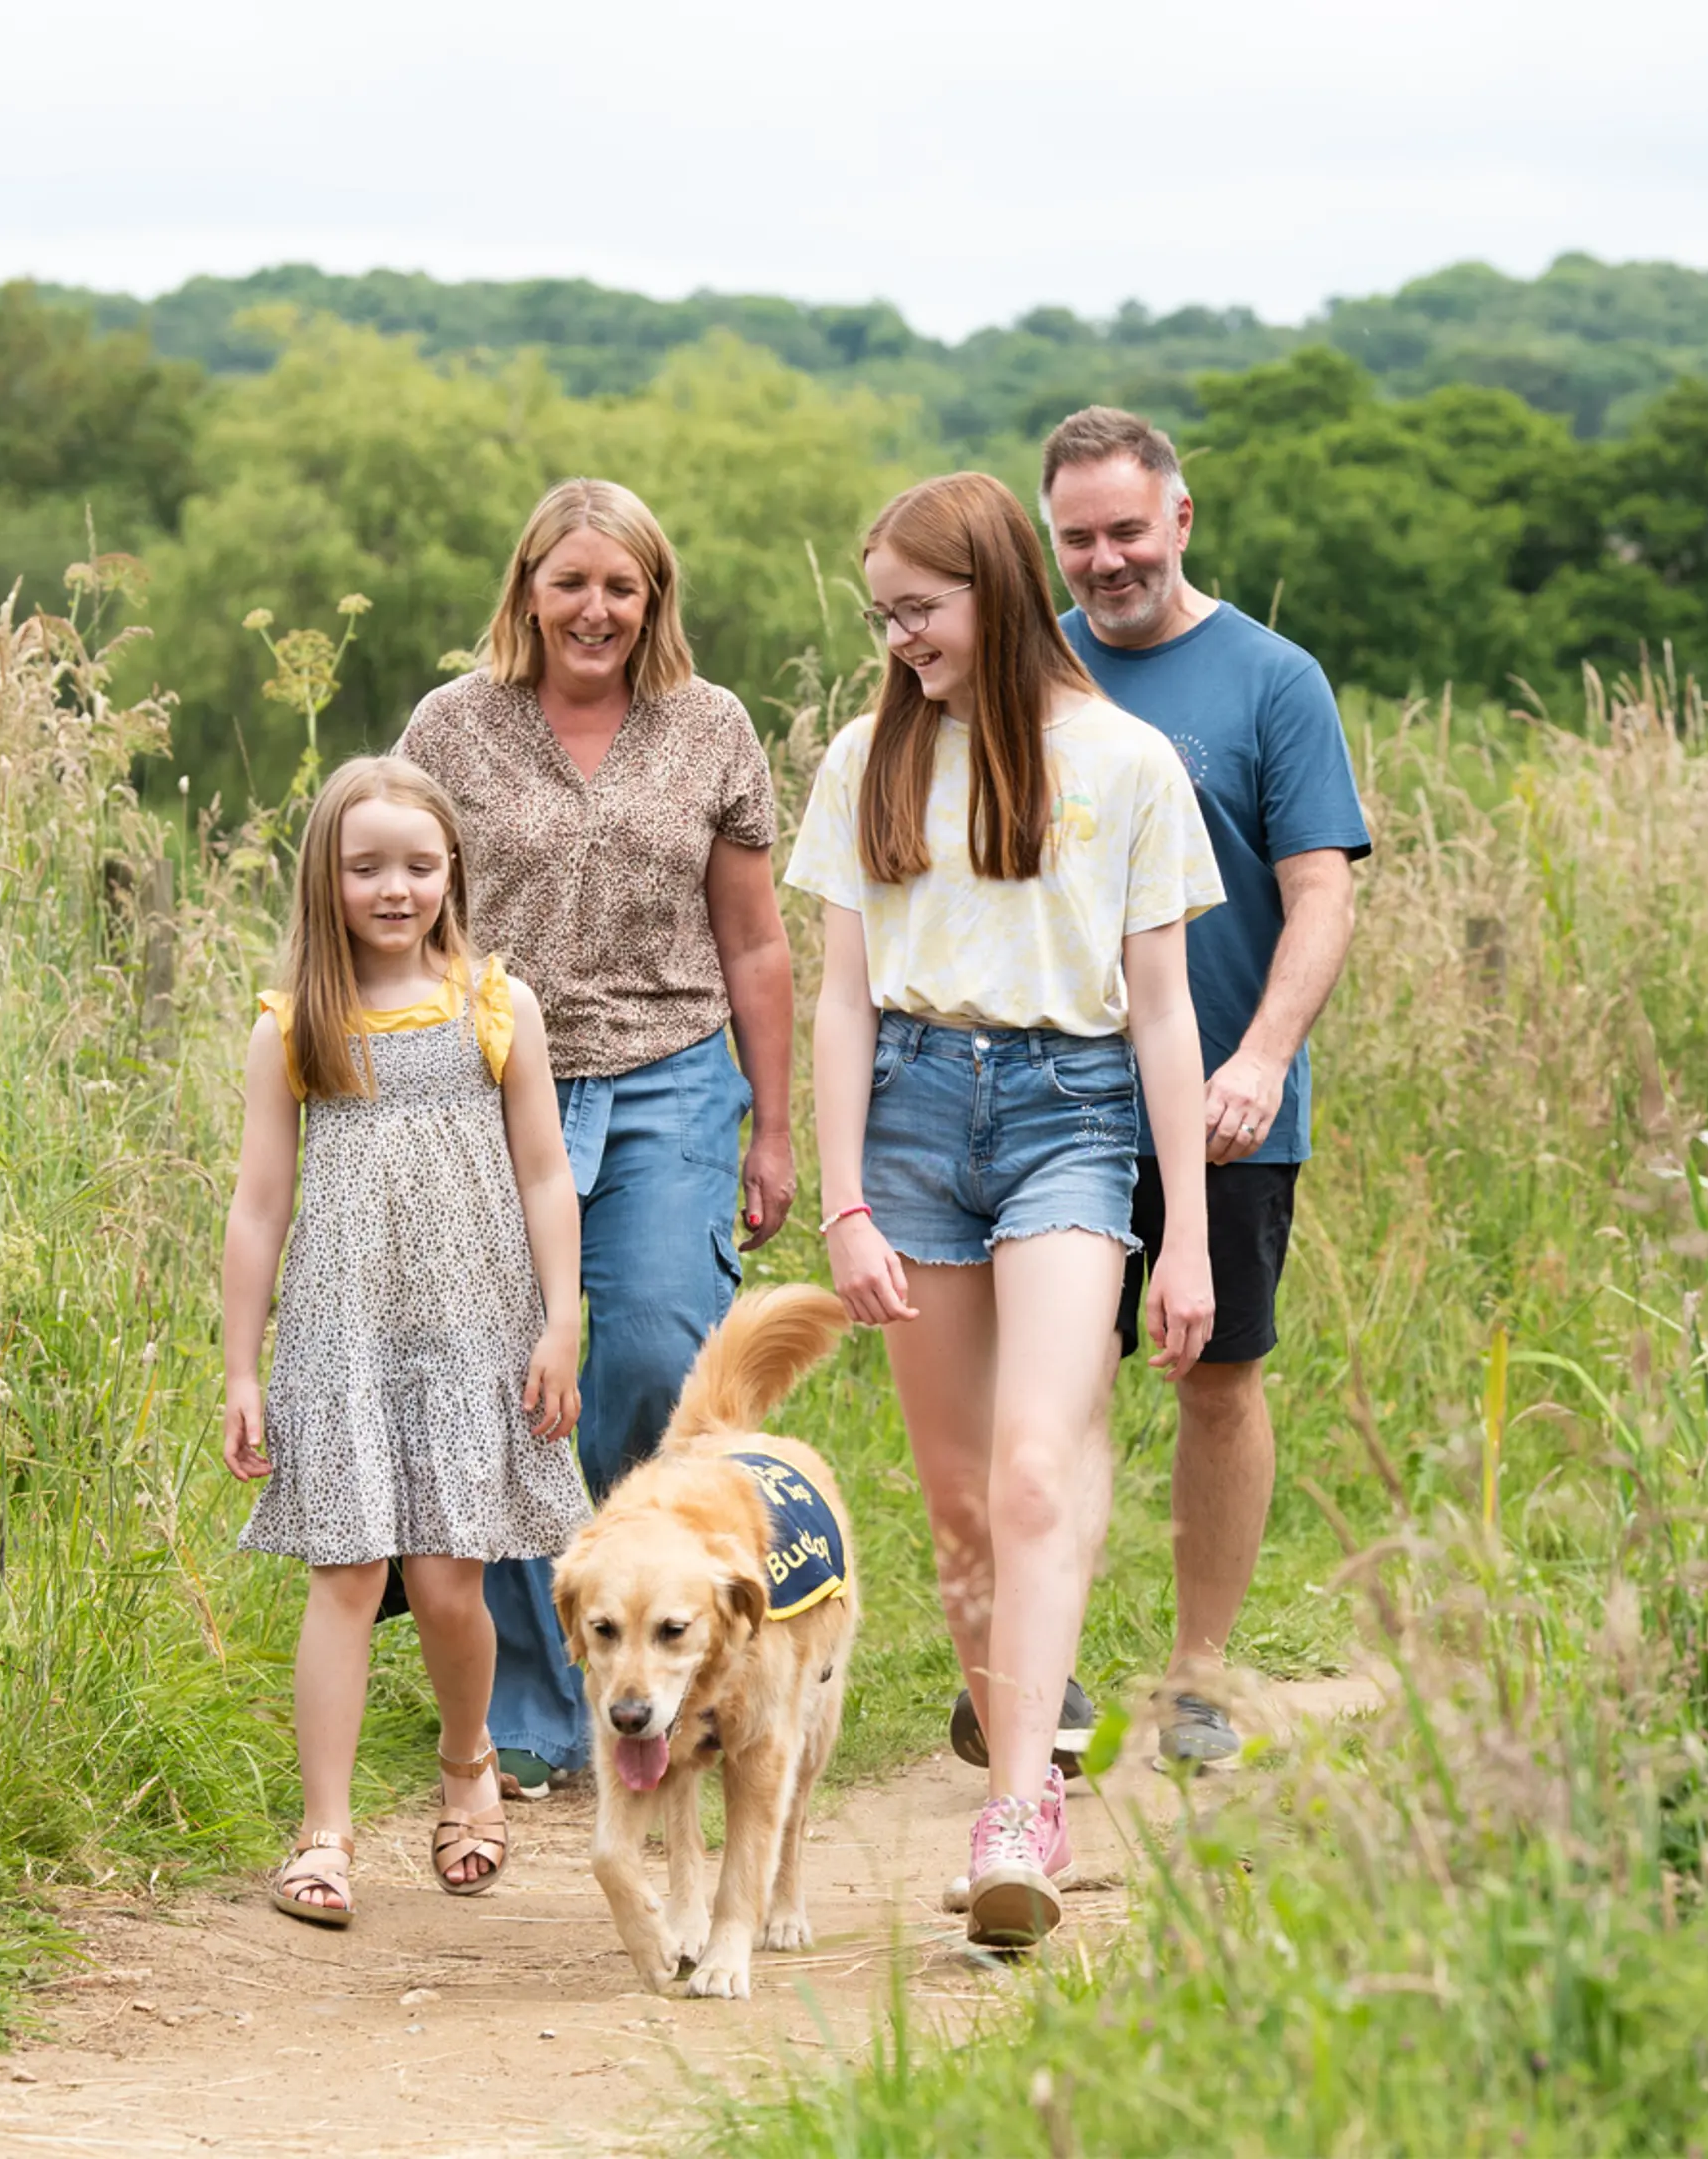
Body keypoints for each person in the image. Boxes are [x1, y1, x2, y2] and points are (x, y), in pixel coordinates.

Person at [787, 470, 1222, 1952]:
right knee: (965, 1500)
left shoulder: (1129, 762)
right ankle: (1019, 1751)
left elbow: (1164, 1016)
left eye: (921, 610)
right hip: (909, 1117)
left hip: (1076, 1118)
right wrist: (841, 1195)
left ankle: (1019, 1810)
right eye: (884, 616)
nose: (900, 639)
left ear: (995, 586)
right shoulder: (865, 758)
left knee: (1039, 1469)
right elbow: (841, 999)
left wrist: (1193, 1242)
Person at [396, 478, 796, 1800]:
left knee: (642, 1355)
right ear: (527, 591)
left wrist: (773, 1129)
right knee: (513, 1384)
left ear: (653, 599)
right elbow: (398, 916)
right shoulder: (450, 728)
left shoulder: (711, 728)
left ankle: (674, 1674)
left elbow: (753, 940)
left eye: (620, 586)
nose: (596, 608)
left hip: (672, 1076)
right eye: (570, 582)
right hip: (489, 1085)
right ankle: (532, 1703)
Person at [1022, 405, 1370, 1770]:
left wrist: (1266, 1055)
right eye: (1076, 538)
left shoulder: (1275, 681)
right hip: (1052, 1097)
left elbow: (1321, 891)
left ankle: (1200, 1677)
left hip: (1226, 1105)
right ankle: (1036, 1672)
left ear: (1179, 519)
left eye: (1125, 530)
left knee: (1216, 1377)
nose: (1105, 561)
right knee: (1052, 1388)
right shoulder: (1029, 667)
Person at [220, 755, 587, 1927]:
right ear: (325, 877)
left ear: (451, 872)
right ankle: (324, 1832)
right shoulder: (295, 1026)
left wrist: (560, 1320)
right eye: (366, 866)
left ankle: (467, 1763)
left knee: (445, 1580)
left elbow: (543, 1172)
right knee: (347, 1575)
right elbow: (258, 1204)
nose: (394, 889)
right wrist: (241, 1366)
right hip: (343, 1334)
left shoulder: (495, 1002)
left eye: (419, 866)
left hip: (474, 1328)